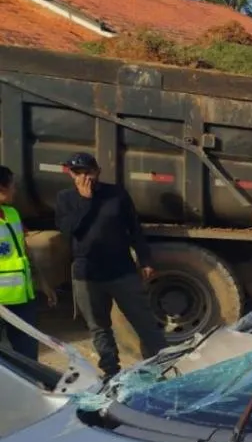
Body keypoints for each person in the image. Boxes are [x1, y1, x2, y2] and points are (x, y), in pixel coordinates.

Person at [55, 153, 166, 379]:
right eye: (78, 173)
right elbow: (68, 229)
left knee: (144, 321)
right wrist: (85, 201)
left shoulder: (116, 194)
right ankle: (111, 372)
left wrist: (145, 259)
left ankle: (161, 366)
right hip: (87, 274)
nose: (84, 177)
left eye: (89, 172)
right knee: (99, 327)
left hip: (121, 271)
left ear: (98, 171)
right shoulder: (65, 198)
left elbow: (134, 229)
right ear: (70, 174)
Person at [0, 167, 57, 361]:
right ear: (1, 188)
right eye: (12, 186)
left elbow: (26, 253)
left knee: (28, 357)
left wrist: (43, 283)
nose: (15, 191)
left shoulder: (12, 214)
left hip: (22, 300)